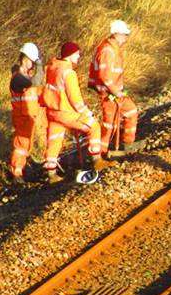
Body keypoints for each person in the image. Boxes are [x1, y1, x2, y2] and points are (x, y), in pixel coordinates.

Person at [42, 41, 106, 183]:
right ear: (70, 55)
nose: (78, 56)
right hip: (65, 112)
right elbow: (75, 98)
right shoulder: (68, 73)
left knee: (55, 140)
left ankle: (51, 173)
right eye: (77, 54)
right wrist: (87, 114)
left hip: (51, 111)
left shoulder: (51, 67)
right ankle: (97, 160)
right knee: (94, 127)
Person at [89, 19, 145, 157]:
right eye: (125, 35)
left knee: (131, 111)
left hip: (115, 92)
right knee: (109, 125)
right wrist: (115, 92)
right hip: (109, 93)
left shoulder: (113, 48)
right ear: (117, 34)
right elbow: (105, 76)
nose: (126, 38)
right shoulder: (107, 51)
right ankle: (101, 154)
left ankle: (128, 145)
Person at [9, 41, 43, 183]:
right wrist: (41, 66)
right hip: (22, 116)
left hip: (29, 116)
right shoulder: (17, 77)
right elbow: (35, 82)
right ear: (24, 58)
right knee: (21, 145)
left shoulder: (25, 75)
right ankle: (16, 172)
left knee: (26, 144)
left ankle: (21, 168)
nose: (32, 64)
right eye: (31, 61)